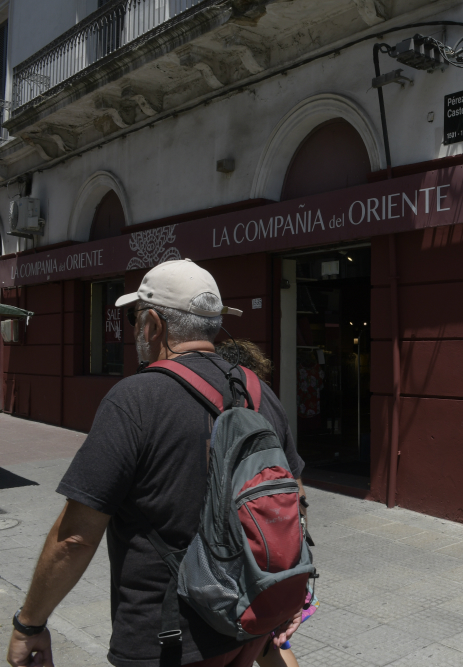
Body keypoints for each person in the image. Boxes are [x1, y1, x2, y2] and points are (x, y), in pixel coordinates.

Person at [6, 259, 305, 667]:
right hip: (246, 620)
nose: (134, 331)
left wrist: (30, 624)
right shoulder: (259, 391)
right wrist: (288, 591)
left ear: (152, 325)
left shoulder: (136, 398)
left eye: (134, 318)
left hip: (169, 638)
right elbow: (294, 500)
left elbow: (75, 537)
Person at [214, 339, 314, 667]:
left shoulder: (214, 403)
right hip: (277, 549)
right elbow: (295, 481)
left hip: (234, 548)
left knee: (250, 637)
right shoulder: (269, 401)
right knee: (274, 639)